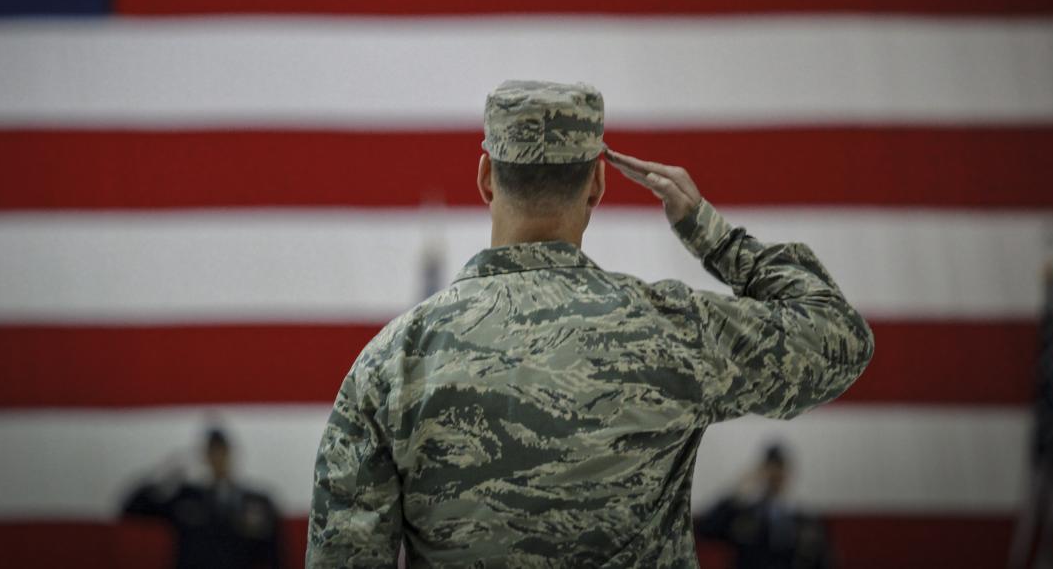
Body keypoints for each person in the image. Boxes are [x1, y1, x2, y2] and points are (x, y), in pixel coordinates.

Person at [307, 80, 874, 567]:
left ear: (485, 178)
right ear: (598, 186)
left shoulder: (392, 362)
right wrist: (712, 235)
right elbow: (838, 338)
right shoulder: (671, 330)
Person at [122, 426, 283, 569]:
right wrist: (164, 477)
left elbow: (274, 555)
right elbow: (132, 508)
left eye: (222, 451)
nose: (218, 458)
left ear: (230, 453)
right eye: (212, 452)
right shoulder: (185, 497)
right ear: (205, 457)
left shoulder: (257, 502)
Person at [695, 443, 834, 569]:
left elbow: (822, 561)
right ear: (761, 472)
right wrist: (736, 493)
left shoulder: (805, 521)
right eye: (770, 468)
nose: (775, 474)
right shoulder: (743, 515)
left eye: (779, 468)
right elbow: (706, 529)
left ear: (787, 472)